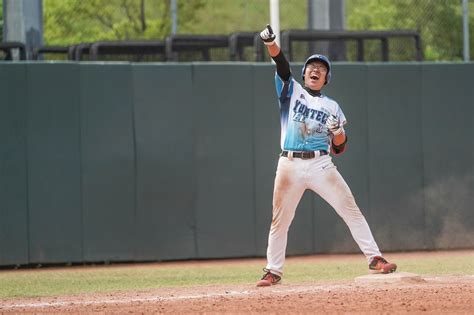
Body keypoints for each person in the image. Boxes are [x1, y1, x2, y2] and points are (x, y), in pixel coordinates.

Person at [256, 25, 397, 287]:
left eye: (321, 69)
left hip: (321, 163)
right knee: (280, 220)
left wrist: (339, 131)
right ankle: (273, 270)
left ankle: (374, 257)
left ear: (326, 78)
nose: (316, 70)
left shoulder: (333, 106)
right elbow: (281, 63)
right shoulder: (291, 91)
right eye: (312, 67)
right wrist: (270, 43)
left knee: (350, 208)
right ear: (305, 73)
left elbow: (340, 147)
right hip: (289, 163)